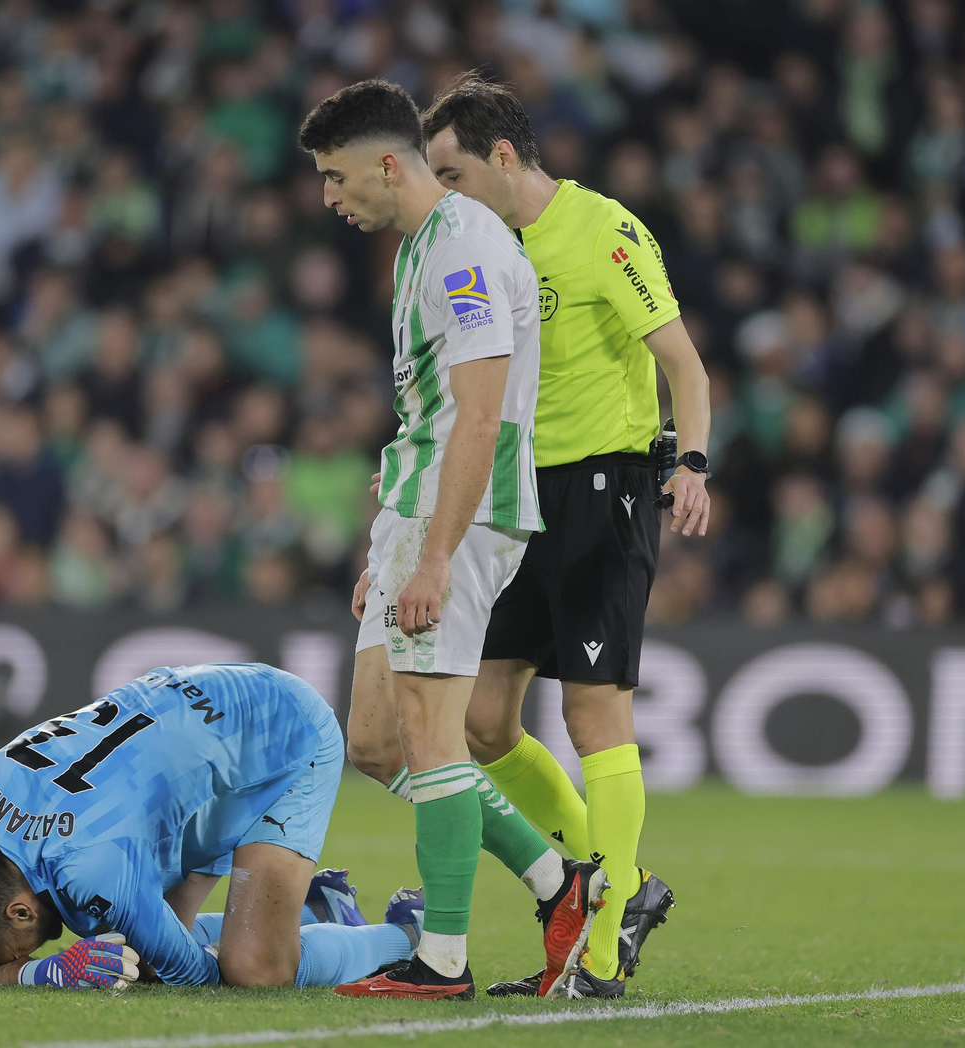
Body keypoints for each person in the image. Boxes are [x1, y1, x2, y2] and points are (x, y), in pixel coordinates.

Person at [298, 79, 603, 1002]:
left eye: (337, 176)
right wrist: (387, 548)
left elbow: (477, 420)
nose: (329, 197)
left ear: (388, 164)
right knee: (378, 743)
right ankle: (560, 885)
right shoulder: (422, 250)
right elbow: (427, 416)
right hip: (417, 514)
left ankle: (440, 960)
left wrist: (432, 554)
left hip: (458, 521)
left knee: (433, 738)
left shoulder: (465, 247)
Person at [420, 73, 713, 998]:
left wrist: (693, 463)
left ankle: (600, 947)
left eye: (452, 171)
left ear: (503, 157)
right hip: (514, 496)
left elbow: (684, 363)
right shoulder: (483, 246)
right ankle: (616, 881)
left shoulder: (605, 232)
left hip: (602, 486)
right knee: (481, 721)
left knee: (593, 712)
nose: (445, 192)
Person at [0, 662, 420, 989]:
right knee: (133, 953)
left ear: (18, 912)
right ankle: (319, 908)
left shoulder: (91, 867)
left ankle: (409, 934)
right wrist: (43, 973)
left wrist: (48, 974)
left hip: (281, 732)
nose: (32, 954)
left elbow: (193, 975)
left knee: (251, 968)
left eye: (21, 952)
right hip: (190, 712)